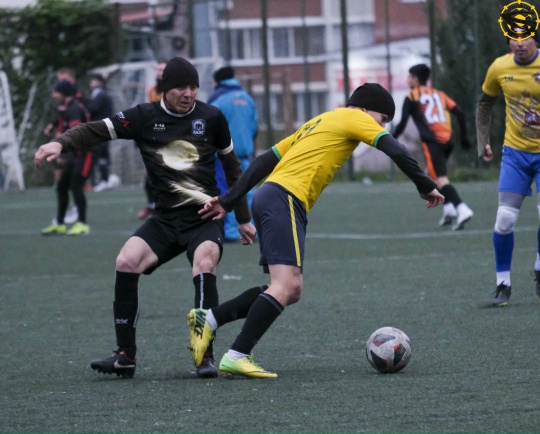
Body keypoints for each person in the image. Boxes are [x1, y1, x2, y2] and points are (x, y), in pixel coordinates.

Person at [187, 83, 444, 378]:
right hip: (284, 197)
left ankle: (210, 319)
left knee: (290, 288)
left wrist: (229, 200)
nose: (382, 126)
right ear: (364, 109)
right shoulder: (354, 116)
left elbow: (263, 162)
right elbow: (395, 149)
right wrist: (425, 185)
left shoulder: (321, 121)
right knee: (286, 285)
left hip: (272, 196)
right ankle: (237, 354)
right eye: (382, 119)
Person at [34, 57, 256, 379]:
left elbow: (234, 168)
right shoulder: (142, 116)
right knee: (126, 261)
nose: (188, 94)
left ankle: (204, 354)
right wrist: (60, 142)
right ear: (166, 89)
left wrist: (243, 217)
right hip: (164, 219)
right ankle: (125, 355)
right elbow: (96, 130)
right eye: (181, 87)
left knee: (205, 261)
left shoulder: (212, 117)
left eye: (193, 87)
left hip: (203, 217)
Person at [476, 29, 540, 307]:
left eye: (525, 37)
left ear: (536, 39)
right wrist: (482, 142)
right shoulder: (499, 67)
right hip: (515, 154)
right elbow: (484, 104)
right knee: (504, 219)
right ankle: (503, 284)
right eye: (514, 38)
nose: (519, 43)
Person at [393, 64, 474, 230]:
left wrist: (390, 139)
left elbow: (402, 122)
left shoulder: (412, 97)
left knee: (441, 179)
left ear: (415, 78)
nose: (407, 80)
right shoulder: (439, 94)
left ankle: (461, 208)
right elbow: (459, 112)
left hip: (432, 143)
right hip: (448, 142)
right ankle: (449, 208)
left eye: (409, 77)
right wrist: (464, 138)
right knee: (430, 175)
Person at [208, 66, 258, 241]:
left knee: (226, 192)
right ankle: (253, 228)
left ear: (217, 81)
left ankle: (231, 232)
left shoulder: (218, 99)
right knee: (247, 191)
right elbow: (254, 126)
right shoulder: (247, 98)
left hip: (224, 156)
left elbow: (210, 126)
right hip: (245, 154)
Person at [40, 79, 92, 236]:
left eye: (57, 92)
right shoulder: (66, 108)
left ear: (64, 94)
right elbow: (62, 122)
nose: (54, 95)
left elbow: (74, 135)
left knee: (76, 187)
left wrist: (60, 147)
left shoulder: (75, 109)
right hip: (74, 155)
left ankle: (82, 223)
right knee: (62, 186)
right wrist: (53, 126)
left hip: (84, 154)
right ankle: (60, 223)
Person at [138, 61, 166, 219]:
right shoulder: (152, 91)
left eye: (162, 69)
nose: (159, 72)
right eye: (158, 69)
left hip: (171, 138)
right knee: (148, 176)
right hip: (156, 137)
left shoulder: (174, 90)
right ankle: (151, 205)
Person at [87, 73, 114, 192]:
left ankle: (104, 180)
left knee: (100, 154)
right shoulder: (100, 93)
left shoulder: (100, 94)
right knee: (101, 154)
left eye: (93, 81)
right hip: (103, 128)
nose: (91, 83)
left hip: (101, 129)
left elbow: (92, 109)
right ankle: (103, 179)